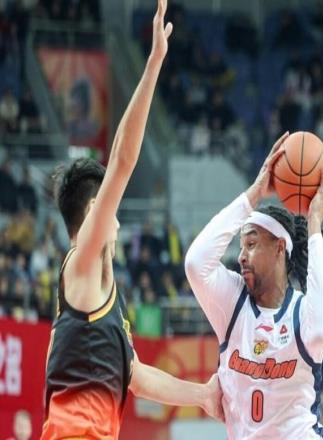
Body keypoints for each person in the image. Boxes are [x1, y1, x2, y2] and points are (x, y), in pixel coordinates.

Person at [42, 2, 222, 439]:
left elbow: (137, 377)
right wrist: (155, 61)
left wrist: (202, 395)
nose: (119, 224)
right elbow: (122, 161)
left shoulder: (99, 297)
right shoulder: (83, 263)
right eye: (111, 211)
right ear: (93, 212)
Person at [185, 132, 323, 439]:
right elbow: (195, 263)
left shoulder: (302, 313)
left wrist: (314, 221)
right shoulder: (233, 303)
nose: (241, 256)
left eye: (251, 244)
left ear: (279, 248)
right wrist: (253, 195)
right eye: (241, 246)